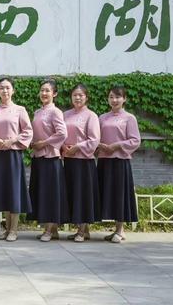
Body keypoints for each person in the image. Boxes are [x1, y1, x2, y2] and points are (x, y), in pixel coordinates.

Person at [0, 77, 33, 242]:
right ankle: (7, 229)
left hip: (13, 155)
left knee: (14, 191)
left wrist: (13, 140)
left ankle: (14, 230)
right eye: (1, 88)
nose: (4, 91)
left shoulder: (20, 110)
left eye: (7, 88)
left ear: (13, 90)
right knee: (3, 191)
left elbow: (28, 131)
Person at [97, 85, 141, 244]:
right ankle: (115, 229)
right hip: (104, 160)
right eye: (111, 97)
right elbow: (95, 137)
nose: (114, 100)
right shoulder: (102, 118)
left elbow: (135, 140)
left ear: (124, 99)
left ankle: (120, 229)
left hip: (120, 161)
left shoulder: (129, 118)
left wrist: (117, 146)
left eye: (118, 97)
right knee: (107, 194)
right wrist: (99, 145)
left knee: (119, 194)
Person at [29, 79, 69, 242]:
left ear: (55, 94)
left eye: (47, 90)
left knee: (51, 194)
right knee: (43, 193)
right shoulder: (38, 112)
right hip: (38, 157)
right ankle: (53, 230)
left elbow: (62, 133)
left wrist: (44, 143)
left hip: (51, 158)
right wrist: (33, 143)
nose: (44, 93)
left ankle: (49, 230)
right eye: (42, 90)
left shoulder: (56, 112)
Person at [62, 83, 101, 242]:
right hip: (69, 160)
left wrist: (77, 147)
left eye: (80, 95)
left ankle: (81, 231)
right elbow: (60, 134)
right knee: (73, 194)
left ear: (86, 97)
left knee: (83, 195)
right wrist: (63, 147)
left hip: (84, 162)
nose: (77, 98)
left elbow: (94, 139)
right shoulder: (65, 115)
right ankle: (84, 230)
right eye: (74, 95)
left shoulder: (91, 116)